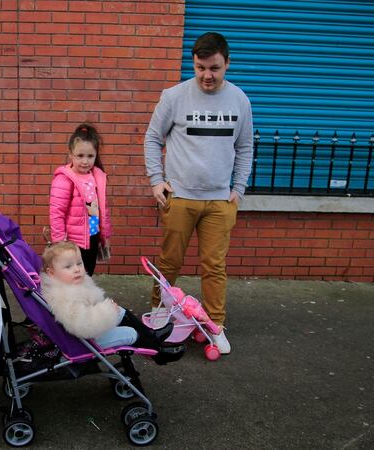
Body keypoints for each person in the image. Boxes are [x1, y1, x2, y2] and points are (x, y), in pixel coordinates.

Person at [143, 32, 253, 355]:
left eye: (214, 68)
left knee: (214, 265)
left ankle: (215, 325)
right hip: (180, 197)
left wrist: (238, 191)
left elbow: (245, 147)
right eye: (200, 67)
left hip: (220, 201)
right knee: (169, 262)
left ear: (227, 64)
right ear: (193, 63)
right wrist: (156, 180)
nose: (207, 75)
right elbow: (152, 138)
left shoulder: (240, 101)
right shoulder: (174, 96)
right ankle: (160, 316)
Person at [39, 241, 176, 361]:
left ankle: (151, 336)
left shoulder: (70, 285)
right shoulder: (64, 297)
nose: (76, 269)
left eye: (79, 263)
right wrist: (107, 310)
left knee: (121, 312)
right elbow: (83, 327)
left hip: (89, 331)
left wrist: (109, 309)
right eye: (68, 267)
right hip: (84, 340)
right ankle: (159, 353)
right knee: (130, 333)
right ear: (51, 273)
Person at [49, 123, 111, 276]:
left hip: (92, 237)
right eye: (80, 156)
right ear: (70, 154)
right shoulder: (64, 179)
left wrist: (105, 236)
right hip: (72, 242)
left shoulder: (97, 176)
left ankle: (83, 299)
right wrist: (59, 244)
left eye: (90, 156)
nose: (85, 161)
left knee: (87, 274)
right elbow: (57, 213)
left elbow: (104, 209)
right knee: (72, 278)